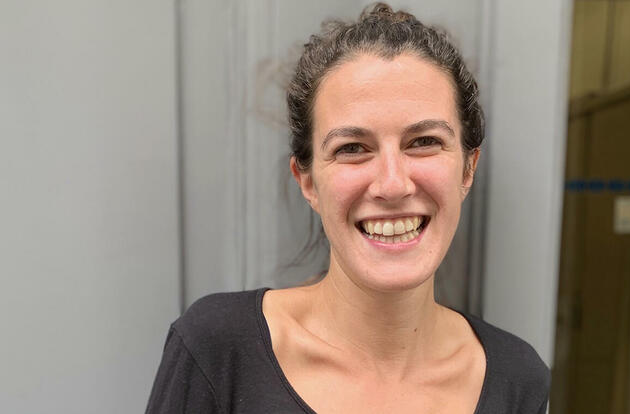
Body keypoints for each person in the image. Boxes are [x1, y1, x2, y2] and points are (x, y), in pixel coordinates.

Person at [145, 3, 550, 413]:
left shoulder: (518, 378)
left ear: (468, 168)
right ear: (307, 182)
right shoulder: (217, 349)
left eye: (424, 142)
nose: (392, 184)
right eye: (352, 148)